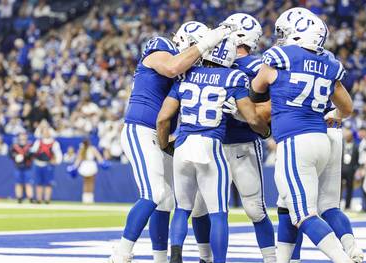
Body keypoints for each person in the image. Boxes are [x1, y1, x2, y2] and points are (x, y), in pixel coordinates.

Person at [108, 21, 235, 263]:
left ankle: (160, 258)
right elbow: (172, 67)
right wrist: (207, 42)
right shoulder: (162, 46)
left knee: (166, 201)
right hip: (141, 129)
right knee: (154, 192)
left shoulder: (194, 69)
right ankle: (122, 253)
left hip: (164, 135)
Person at [250, 8, 356, 263]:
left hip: (295, 142)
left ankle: (342, 259)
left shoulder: (280, 56)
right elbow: (348, 108)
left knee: (303, 214)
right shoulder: (329, 62)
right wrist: (333, 115)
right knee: (287, 205)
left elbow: (255, 91)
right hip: (321, 139)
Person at [157, 35, 270, 263]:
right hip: (211, 145)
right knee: (218, 213)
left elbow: (163, 119)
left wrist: (165, 145)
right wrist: (265, 131)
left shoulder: (186, 74)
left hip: (183, 144)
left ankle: (175, 256)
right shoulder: (233, 76)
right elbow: (252, 117)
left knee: (182, 209)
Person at [188, 13, 276, 263]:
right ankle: (205, 259)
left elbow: (271, 107)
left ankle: (271, 259)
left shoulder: (257, 67)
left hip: (242, 142)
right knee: (199, 208)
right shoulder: (208, 59)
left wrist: (245, 114)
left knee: (254, 208)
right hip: (210, 144)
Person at [30, 127, 62, 204]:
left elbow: (58, 154)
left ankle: (47, 199)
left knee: (48, 183)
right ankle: (39, 199)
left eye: (47, 131)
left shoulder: (54, 143)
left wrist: (57, 161)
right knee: (38, 182)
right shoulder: (38, 142)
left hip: (48, 164)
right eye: (44, 132)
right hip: (38, 163)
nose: (46, 133)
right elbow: (32, 151)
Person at [74, 139, 104, 204]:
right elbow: (99, 157)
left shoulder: (83, 149)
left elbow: (78, 160)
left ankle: (85, 199)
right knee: (91, 182)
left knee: (86, 183)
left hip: (86, 165)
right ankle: (89, 199)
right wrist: (102, 162)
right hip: (89, 165)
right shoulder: (89, 149)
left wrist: (75, 166)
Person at [10, 132, 34, 203]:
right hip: (18, 167)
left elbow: (32, 154)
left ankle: (30, 198)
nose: (23, 138)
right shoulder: (15, 146)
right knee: (18, 183)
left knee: (28, 183)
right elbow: (10, 154)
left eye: (24, 136)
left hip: (27, 167)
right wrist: (15, 156)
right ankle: (19, 198)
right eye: (21, 136)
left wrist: (25, 156)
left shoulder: (30, 145)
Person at [341, 128, 358, 210]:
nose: (347, 137)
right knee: (338, 188)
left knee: (349, 188)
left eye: (349, 136)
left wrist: (355, 169)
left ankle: (348, 206)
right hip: (341, 169)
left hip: (350, 170)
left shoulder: (355, 146)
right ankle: (337, 205)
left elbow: (357, 160)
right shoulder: (341, 144)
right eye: (346, 136)